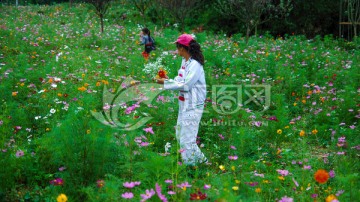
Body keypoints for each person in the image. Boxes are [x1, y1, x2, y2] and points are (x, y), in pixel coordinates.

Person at [156, 34, 207, 166]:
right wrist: (168, 79)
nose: (177, 50)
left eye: (178, 47)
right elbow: (181, 80)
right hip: (184, 104)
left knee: (186, 140)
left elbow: (186, 85)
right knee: (180, 135)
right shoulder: (185, 61)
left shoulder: (195, 65)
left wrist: (165, 84)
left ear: (183, 48)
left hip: (193, 105)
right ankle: (203, 162)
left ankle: (189, 168)